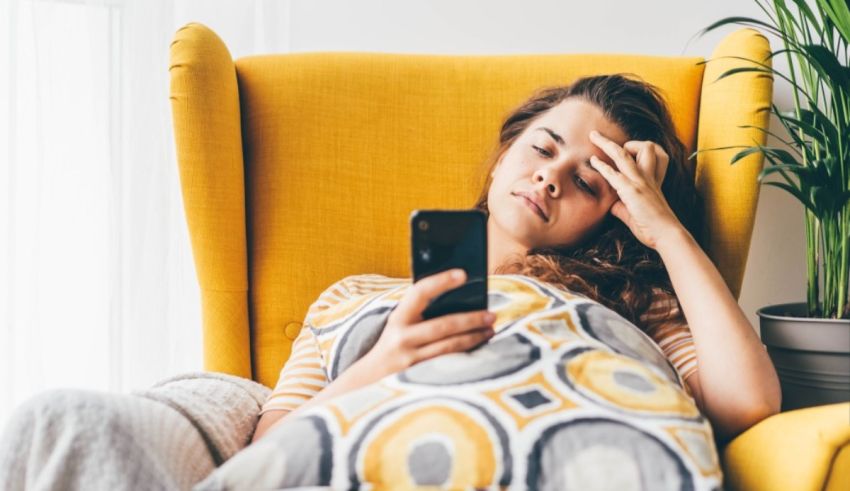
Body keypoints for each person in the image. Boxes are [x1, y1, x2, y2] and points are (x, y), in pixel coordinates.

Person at [251, 74, 782, 446]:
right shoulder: (349, 298)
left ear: (612, 216)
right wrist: (384, 360)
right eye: (543, 150)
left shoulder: (634, 304)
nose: (550, 178)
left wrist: (664, 230)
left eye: (586, 182)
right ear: (506, 150)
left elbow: (748, 403)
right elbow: (266, 454)